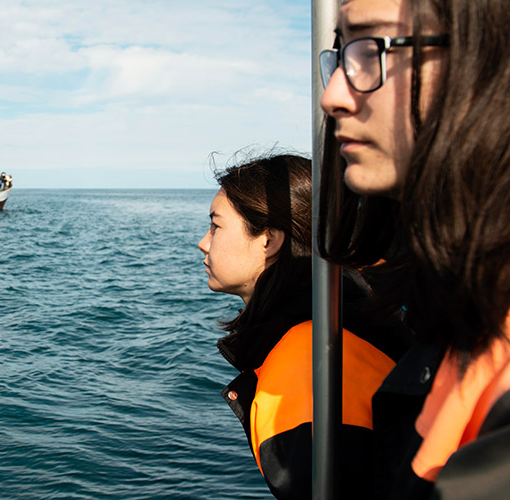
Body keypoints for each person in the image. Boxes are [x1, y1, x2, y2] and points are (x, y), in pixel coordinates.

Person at [318, 0, 510, 498]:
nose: (333, 95)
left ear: (488, 55)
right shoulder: (458, 312)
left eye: (371, 49)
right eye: (339, 56)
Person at [198, 153, 407, 500]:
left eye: (216, 226)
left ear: (269, 240)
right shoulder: (345, 315)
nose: (204, 242)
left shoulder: (304, 365)